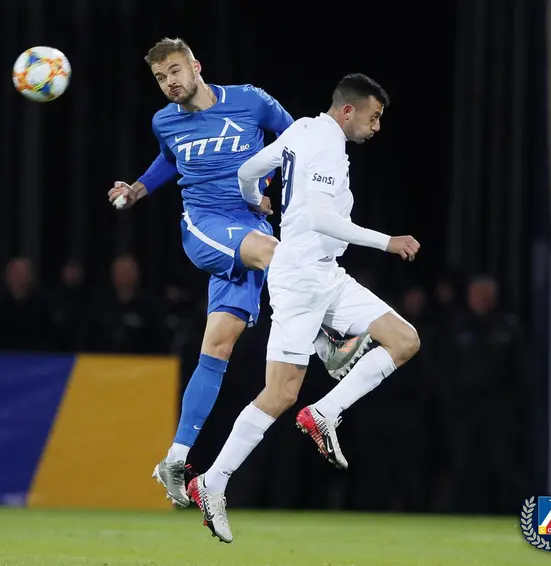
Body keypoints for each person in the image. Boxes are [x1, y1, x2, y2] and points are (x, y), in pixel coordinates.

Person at [108, 39, 371, 507]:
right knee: (279, 255)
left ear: (196, 66)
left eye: (175, 71)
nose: (169, 82)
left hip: (249, 224)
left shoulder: (250, 100)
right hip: (206, 225)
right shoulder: (165, 121)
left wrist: (272, 190)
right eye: (160, 77)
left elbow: (300, 144)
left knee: (218, 347)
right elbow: (169, 158)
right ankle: (327, 342)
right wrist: (137, 189)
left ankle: (175, 459)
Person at [186, 73, 421, 543]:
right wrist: (387, 242)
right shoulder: (328, 144)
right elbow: (320, 217)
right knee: (279, 394)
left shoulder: (301, 130)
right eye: (374, 117)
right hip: (299, 279)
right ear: (348, 110)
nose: (376, 127)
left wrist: (256, 202)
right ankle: (212, 482)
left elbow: (247, 172)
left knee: (404, 340)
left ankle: (326, 411)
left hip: (327, 275)